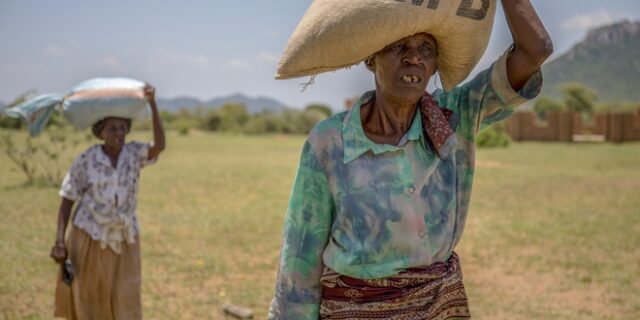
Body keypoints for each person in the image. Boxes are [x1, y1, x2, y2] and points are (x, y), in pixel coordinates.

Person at [269, 0, 552, 319]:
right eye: (398, 46)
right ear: (371, 59)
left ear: (434, 65)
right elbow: (299, 261)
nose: (414, 57)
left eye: (426, 48)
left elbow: (535, 51)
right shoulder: (330, 142)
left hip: (439, 308)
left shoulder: (454, 119)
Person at [50, 84, 165, 319]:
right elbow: (67, 199)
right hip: (90, 236)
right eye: (113, 129)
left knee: (125, 293)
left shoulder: (133, 154)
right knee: (91, 294)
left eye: (123, 128)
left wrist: (153, 103)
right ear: (100, 131)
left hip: (124, 236)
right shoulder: (87, 160)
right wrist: (59, 241)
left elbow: (159, 147)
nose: (119, 134)